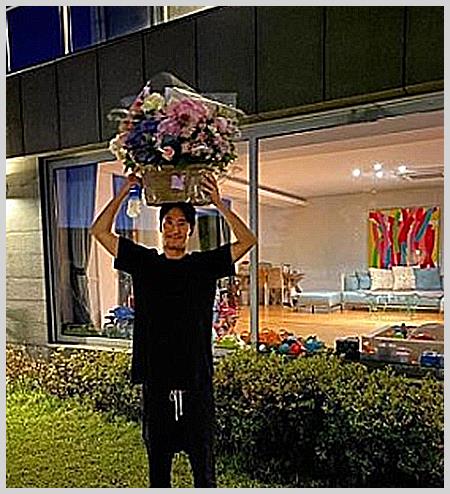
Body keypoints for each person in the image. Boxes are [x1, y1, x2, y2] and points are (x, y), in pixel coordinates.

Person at [90, 173, 256, 488]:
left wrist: (218, 204)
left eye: (182, 223)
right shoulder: (145, 262)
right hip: (157, 379)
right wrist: (123, 192)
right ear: (161, 227)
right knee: (159, 470)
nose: (175, 229)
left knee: (203, 469)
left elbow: (247, 241)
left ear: (190, 230)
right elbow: (99, 231)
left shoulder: (203, 266)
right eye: (169, 222)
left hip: (196, 380)